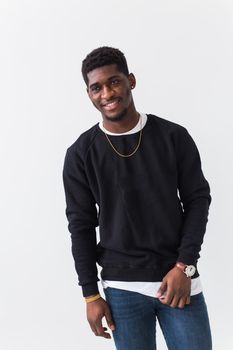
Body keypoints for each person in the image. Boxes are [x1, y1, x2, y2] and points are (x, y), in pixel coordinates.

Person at [62, 46, 212, 350]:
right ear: (89, 93)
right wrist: (90, 294)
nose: (106, 93)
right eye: (96, 88)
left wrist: (185, 265)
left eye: (114, 82)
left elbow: (198, 199)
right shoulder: (80, 154)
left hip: (178, 280)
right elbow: (80, 226)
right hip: (121, 288)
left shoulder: (173, 136)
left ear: (131, 80)